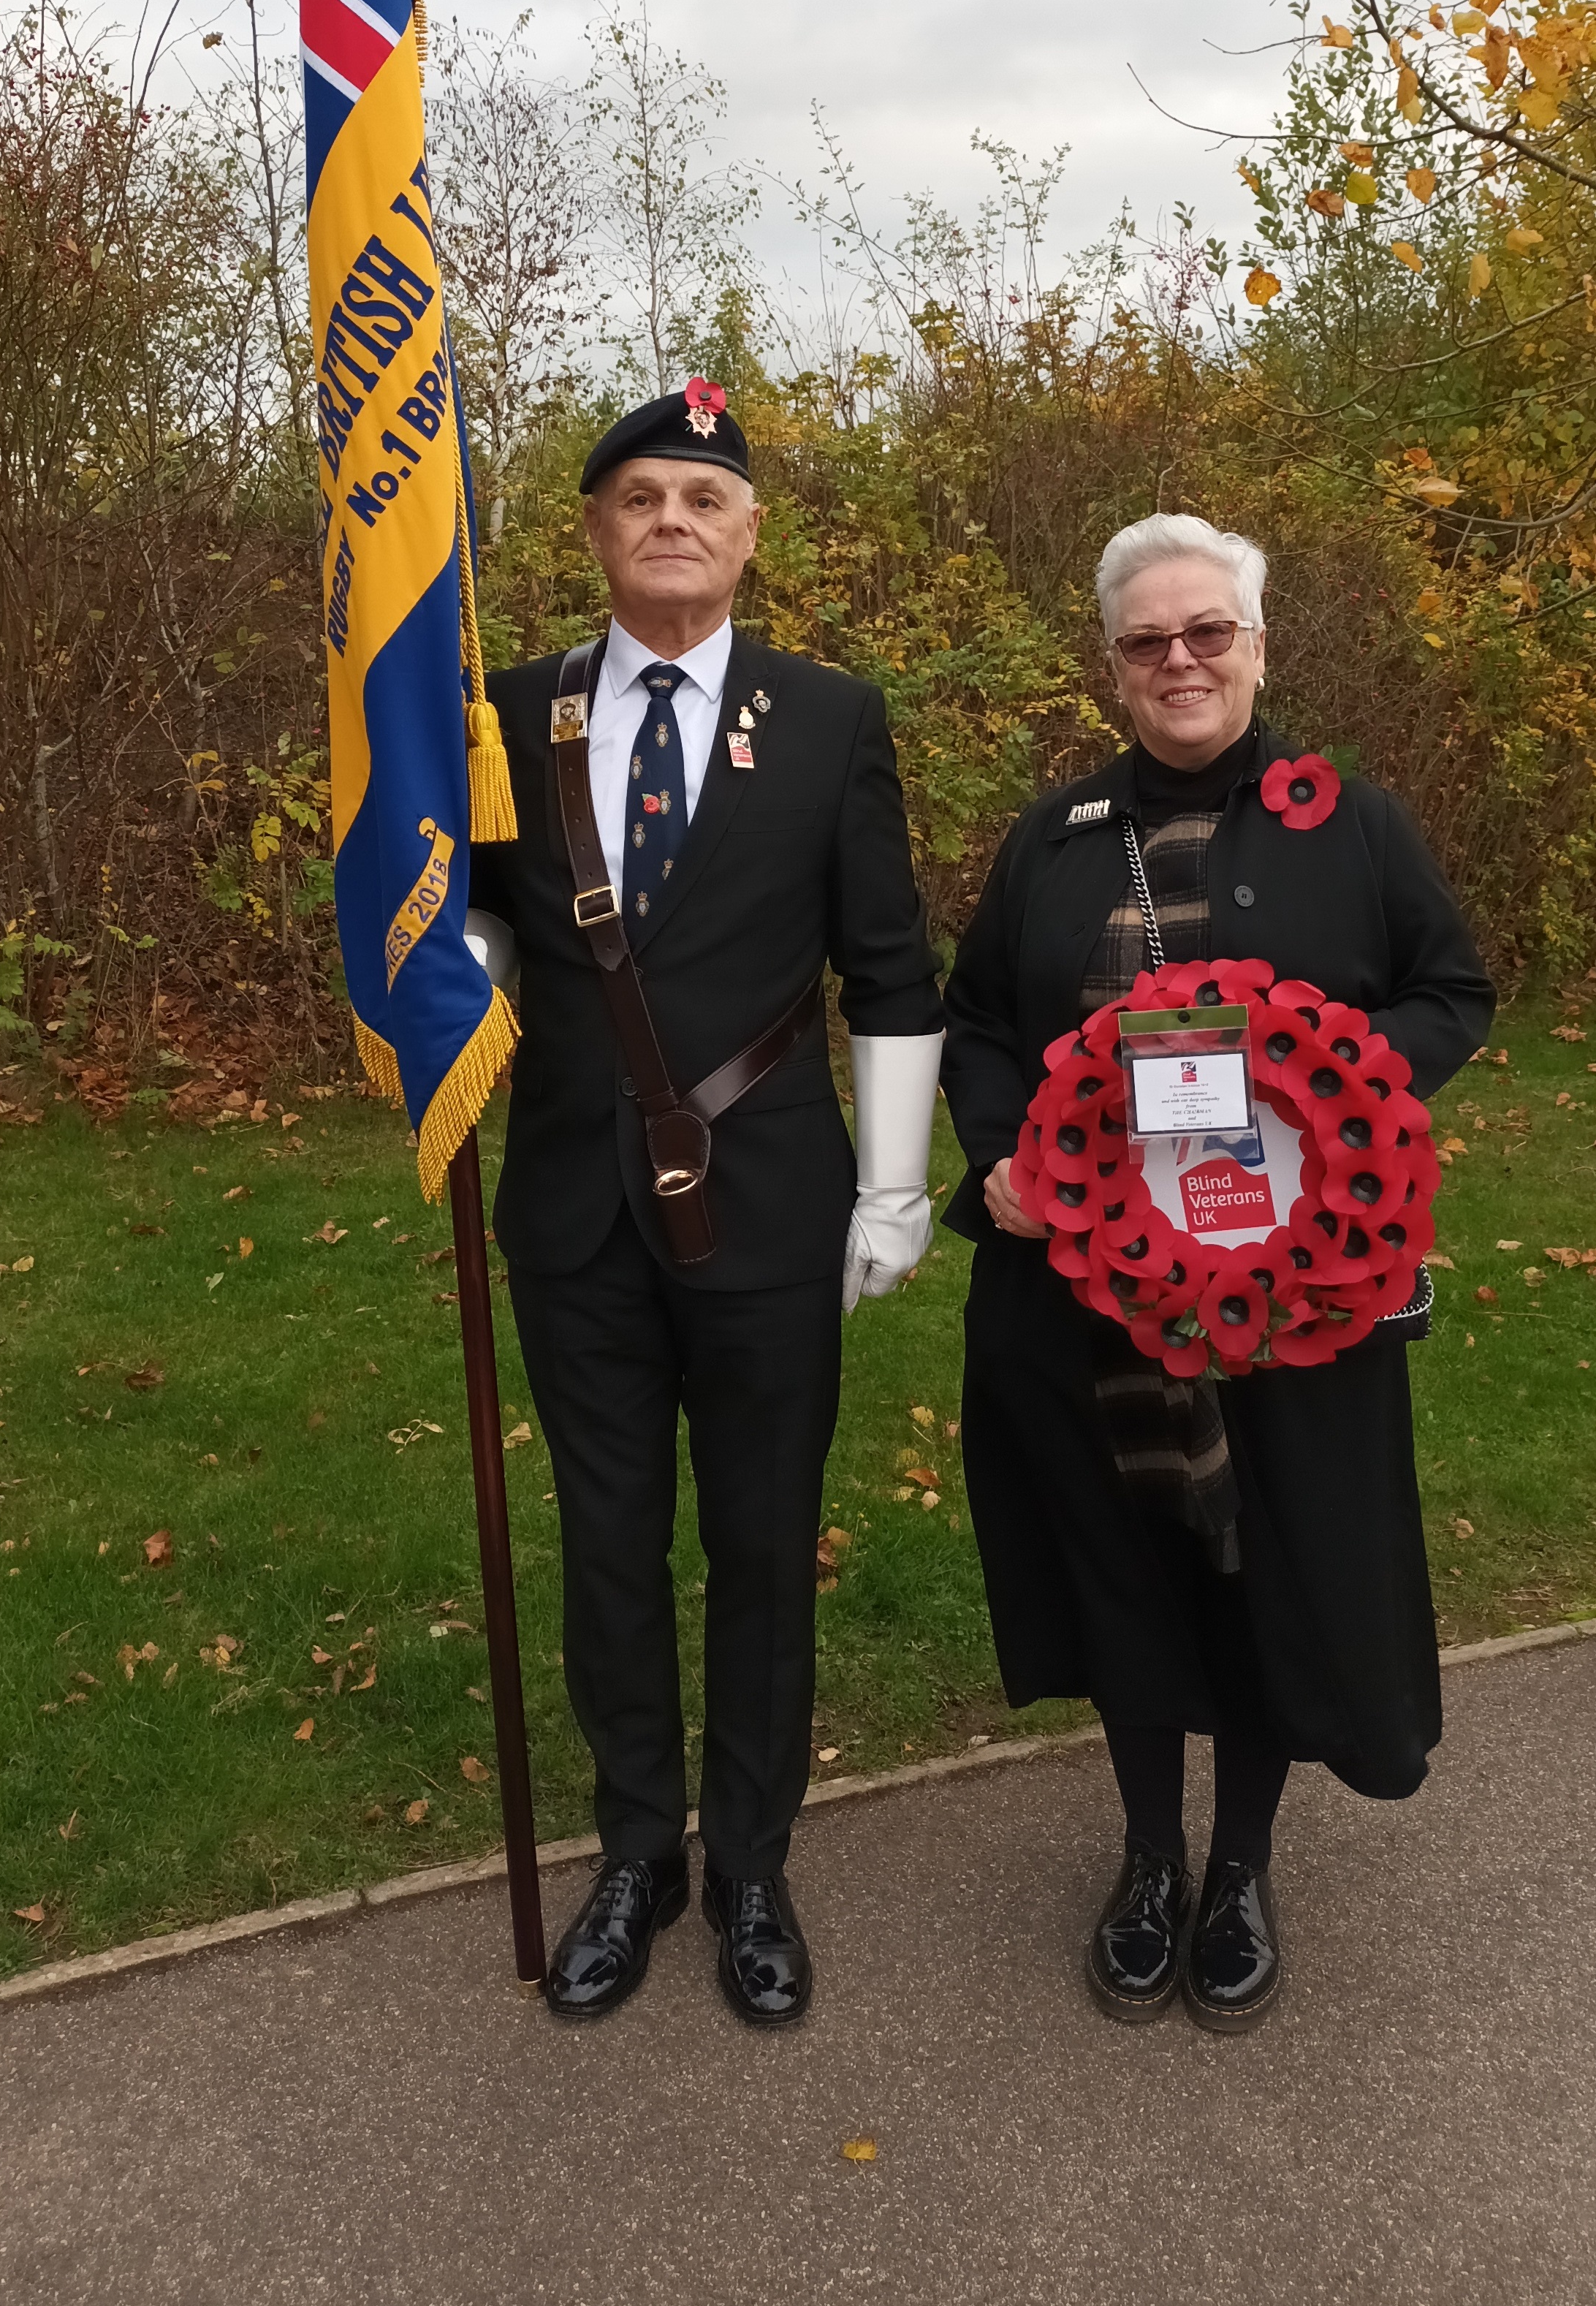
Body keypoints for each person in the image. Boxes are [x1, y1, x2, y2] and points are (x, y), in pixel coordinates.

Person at [940, 510, 1493, 2033]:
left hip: (1287, 1303)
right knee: (1123, 1569)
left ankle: (1238, 1867)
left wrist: (1358, 1092)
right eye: (1147, 639)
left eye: (1209, 632)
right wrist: (1004, 1160)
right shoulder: (1049, 840)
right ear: (1114, 666)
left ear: (1258, 643)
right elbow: (980, 1016)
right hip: (1088, 1298)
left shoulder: (1356, 824)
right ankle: (1143, 1857)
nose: (1179, 658)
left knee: (1259, 1570)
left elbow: (1455, 988)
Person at [465, 382, 943, 2028]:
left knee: (756, 1542)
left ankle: (749, 1858)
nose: (673, 518)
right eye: (641, 495)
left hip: (769, 1199)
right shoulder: (505, 714)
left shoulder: (827, 716)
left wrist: (892, 1189)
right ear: (595, 529)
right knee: (607, 1544)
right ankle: (632, 1853)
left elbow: (889, 966)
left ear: (749, 535)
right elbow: (486, 933)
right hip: (571, 1213)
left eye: (704, 498)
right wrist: (435, 974)